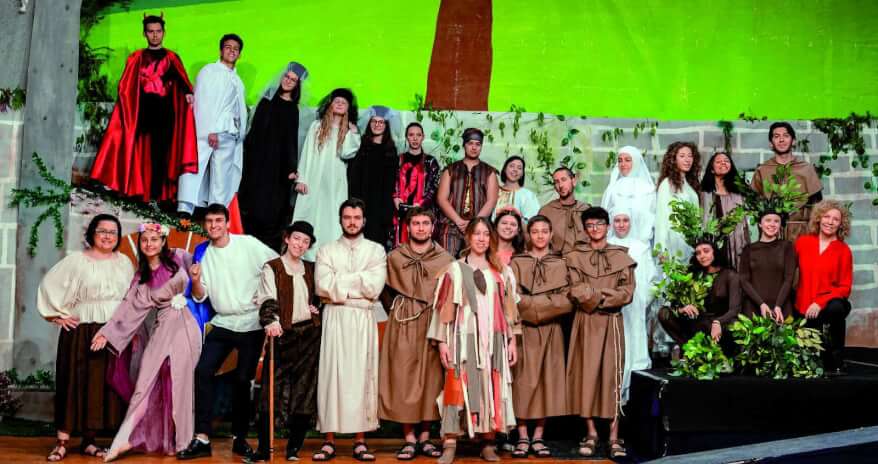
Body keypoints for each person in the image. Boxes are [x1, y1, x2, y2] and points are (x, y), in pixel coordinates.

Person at [91, 223, 201, 460]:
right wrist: (107, 332)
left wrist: (196, 281)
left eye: (154, 239)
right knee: (145, 382)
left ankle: (181, 441)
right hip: (163, 325)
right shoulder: (142, 277)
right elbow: (128, 307)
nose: (149, 244)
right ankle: (123, 440)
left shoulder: (180, 257)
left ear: (163, 241)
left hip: (187, 325)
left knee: (179, 382)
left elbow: (201, 287)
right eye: (145, 240)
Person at [177, 203, 278, 460]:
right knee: (202, 371)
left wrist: (265, 295)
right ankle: (202, 438)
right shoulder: (203, 254)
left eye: (218, 220)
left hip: (251, 322)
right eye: (209, 221)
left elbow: (276, 265)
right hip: (223, 321)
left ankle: (239, 439)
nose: (214, 225)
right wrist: (195, 280)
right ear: (205, 225)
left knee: (243, 380)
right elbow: (200, 296)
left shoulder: (248, 245)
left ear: (227, 222)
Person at [38, 214, 133, 461]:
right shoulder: (76, 261)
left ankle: (89, 441)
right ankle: (62, 441)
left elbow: (129, 299)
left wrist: (119, 331)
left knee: (99, 387)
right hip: (81, 331)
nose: (107, 236)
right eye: (102, 231)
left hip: (111, 332)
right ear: (92, 233)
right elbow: (48, 285)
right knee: (73, 383)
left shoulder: (124, 263)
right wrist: (56, 315)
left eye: (113, 232)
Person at [428, 217, 520, 463]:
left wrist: (512, 341)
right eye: (477, 233)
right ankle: (449, 443)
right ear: (468, 237)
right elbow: (443, 309)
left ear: (491, 238)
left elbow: (510, 310)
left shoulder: (501, 271)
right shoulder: (454, 269)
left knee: (491, 387)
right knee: (455, 388)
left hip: (494, 341)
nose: (481, 238)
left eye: (486, 234)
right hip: (462, 340)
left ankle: (487, 442)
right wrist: (442, 343)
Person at [90, 15, 197, 205]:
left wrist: (188, 93)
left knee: (160, 156)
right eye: (151, 31)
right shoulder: (137, 57)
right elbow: (126, 86)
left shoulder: (171, 57)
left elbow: (183, 81)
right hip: (142, 113)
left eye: (158, 31)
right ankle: (137, 193)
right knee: (139, 153)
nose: (155, 35)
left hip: (165, 114)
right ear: (144, 33)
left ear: (164, 32)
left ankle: (156, 197)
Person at [313, 198, 387, 462]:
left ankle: (360, 440)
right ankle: (329, 440)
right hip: (335, 318)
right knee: (332, 375)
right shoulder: (326, 251)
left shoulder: (376, 250)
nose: (352, 222)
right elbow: (322, 286)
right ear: (340, 220)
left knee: (362, 375)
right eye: (347, 217)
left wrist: (339, 284)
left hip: (363, 319)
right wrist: (359, 283)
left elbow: (374, 287)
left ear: (363, 220)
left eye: (356, 217)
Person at [378, 207, 453, 460]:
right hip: (404, 320)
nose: (421, 228)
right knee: (403, 376)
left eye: (425, 223)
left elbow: (450, 294)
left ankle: (425, 437)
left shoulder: (445, 259)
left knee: (431, 378)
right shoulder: (395, 257)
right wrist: (398, 308)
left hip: (433, 320)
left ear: (433, 228)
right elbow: (384, 289)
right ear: (408, 227)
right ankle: (409, 438)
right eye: (416, 223)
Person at [246, 221, 322, 462]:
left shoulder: (311, 268)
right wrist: (271, 320)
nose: (300, 244)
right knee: (271, 392)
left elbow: (319, 296)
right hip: (282, 336)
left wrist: (316, 306)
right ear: (287, 238)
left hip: (309, 337)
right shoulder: (273, 267)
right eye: (297, 238)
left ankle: (293, 448)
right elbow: (267, 297)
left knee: (305, 392)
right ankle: (263, 448)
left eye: (306, 241)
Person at [565, 207, 635, 460]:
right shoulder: (574, 257)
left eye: (599, 224)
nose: (595, 229)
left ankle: (614, 436)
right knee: (586, 376)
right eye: (590, 225)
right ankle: (591, 433)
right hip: (585, 321)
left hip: (612, 322)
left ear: (607, 226)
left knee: (612, 377)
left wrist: (596, 296)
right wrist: (604, 295)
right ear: (585, 229)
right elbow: (575, 289)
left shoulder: (621, 256)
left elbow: (627, 292)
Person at [508, 215, 571, 459]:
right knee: (523, 382)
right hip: (523, 330)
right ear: (528, 235)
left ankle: (538, 436)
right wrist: (536, 307)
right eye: (535, 231)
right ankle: (523, 435)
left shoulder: (560, 263)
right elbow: (511, 296)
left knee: (547, 381)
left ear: (551, 234)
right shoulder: (517, 262)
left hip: (551, 329)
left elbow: (566, 298)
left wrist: (537, 306)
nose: (540, 236)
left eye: (545, 231)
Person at [238, 62, 308, 251]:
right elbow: (254, 131)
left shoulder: (293, 109)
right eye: (287, 77)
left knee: (270, 207)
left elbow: (290, 141)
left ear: (297, 85)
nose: (288, 81)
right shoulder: (267, 100)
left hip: (277, 167)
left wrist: (291, 168)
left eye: (293, 80)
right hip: (257, 160)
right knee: (251, 201)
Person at [177, 33, 248, 217]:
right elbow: (203, 102)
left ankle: (217, 214)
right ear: (221, 50)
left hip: (229, 134)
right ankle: (185, 211)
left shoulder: (237, 79)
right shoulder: (209, 71)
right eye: (228, 47)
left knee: (222, 177)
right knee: (196, 166)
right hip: (208, 132)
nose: (232, 51)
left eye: (236, 49)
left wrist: (238, 134)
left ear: (240, 54)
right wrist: (211, 130)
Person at [291, 88, 361, 261]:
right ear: (330, 104)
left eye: (343, 102)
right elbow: (307, 152)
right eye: (336, 101)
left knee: (331, 217)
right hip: (313, 179)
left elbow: (347, 153)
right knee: (309, 214)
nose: (340, 104)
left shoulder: (349, 130)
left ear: (348, 108)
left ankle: (328, 257)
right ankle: (305, 255)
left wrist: (353, 134)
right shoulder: (318, 126)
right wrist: (301, 178)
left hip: (334, 183)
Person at [794, 200, 853, 374]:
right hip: (804, 305)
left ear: (841, 224)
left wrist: (820, 303)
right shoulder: (803, 243)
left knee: (836, 308)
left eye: (836, 219)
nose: (830, 222)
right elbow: (787, 271)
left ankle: (837, 359)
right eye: (827, 216)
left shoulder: (843, 250)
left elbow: (845, 287)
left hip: (828, 306)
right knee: (811, 361)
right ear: (819, 218)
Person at [608, 206, 657, 403]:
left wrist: (642, 300)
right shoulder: (607, 246)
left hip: (635, 307)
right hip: (613, 308)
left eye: (625, 220)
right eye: (617, 220)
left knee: (635, 345)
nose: (621, 225)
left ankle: (632, 399)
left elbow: (652, 279)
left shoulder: (641, 248)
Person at [658, 240, 741, 352]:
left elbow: (735, 309)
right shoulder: (693, 275)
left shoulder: (730, 275)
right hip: (697, 325)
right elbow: (676, 305)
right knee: (664, 313)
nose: (702, 256)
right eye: (698, 253)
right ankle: (689, 350)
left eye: (706, 251)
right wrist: (683, 309)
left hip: (719, 326)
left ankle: (719, 352)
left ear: (715, 252)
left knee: (734, 324)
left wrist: (718, 322)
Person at [752, 122, 823, 242]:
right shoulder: (762, 170)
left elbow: (817, 207)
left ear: (793, 141)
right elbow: (756, 205)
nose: (781, 139)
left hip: (801, 234)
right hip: (772, 235)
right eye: (776, 136)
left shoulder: (806, 169)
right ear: (771, 143)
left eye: (786, 135)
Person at [435, 128, 499, 257]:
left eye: (478, 144)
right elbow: (441, 199)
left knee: (473, 264)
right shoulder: (450, 170)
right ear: (464, 145)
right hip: (451, 225)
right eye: (470, 143)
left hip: (478, 228)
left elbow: (491, 200)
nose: (474, 147)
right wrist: (458, 221)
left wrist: (475, 223)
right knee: (447, 263)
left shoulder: (489, 172)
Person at [348, 106, 400, 250]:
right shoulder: (360, 146)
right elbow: (353, 177)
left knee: (377, 246)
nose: (377, 125)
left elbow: (391, 183)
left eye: (381, 122)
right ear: (369, 123)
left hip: (381, 208)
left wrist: (387, 211)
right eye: (374, 121)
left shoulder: (391, 151)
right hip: (361, 203)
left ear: (386, 125)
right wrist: (354, 204)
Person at [739, 210, 796, 322]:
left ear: (780, 225)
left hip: (781, 306)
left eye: (776, 221)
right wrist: (761, 304)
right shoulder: (748, 250)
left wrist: (778, 306)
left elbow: (788, 279)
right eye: (768, 220)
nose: (772, 224)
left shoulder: (786, 247)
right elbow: (744, 280)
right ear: (760, 224)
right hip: (754, 306)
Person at [394, 122, 442, 247]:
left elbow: (434, 187)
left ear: (423, 137)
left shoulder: (431, 162)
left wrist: (421, 203)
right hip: (401, 211)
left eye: (418, 135)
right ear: (406, 137)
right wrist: (395, 197)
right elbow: (393, 181)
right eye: (411, 135)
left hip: (423, 212)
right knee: (402, 248)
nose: (415, 138)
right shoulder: (398, 160)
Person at [700, 150, 749, 269]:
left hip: (737, 242)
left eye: (726, 161)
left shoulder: (739, 192)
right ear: (712, 169)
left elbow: (744, 223)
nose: (723, 163)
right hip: (715, 242)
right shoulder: (704, 194)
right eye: (718, 161)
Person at [655, 141, 701, 261]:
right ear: (673, 159)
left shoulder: (689, 184)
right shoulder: (667, 184)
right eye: (682, 156)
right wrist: (662, 249)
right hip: (673, 241)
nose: (687, 160)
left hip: (689, 242)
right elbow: (661, 218)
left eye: (690, 156)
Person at [600, 146, 656, 243]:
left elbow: (654, 217)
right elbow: (605, 217)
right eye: (620, 161)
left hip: (641, 244)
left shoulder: (648, 189)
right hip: (616, 243)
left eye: (627, 160)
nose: (623, 164)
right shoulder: (613, 189)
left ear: (636, 162)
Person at [537, 167, 589, 255]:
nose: (560, 185)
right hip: (554, 260)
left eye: (564, 180)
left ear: (573, 181)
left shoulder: (585, 210)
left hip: (583, 259)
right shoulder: (546, 211)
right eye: (556, 182)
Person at [494, 156, 541, 221]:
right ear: (504, 169)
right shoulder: (494, 192)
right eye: (512, 166)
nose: (515, 170)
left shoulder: (528, 195)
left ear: (522, 173)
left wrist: (519, 217)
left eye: (519, 168)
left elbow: (533, 220)